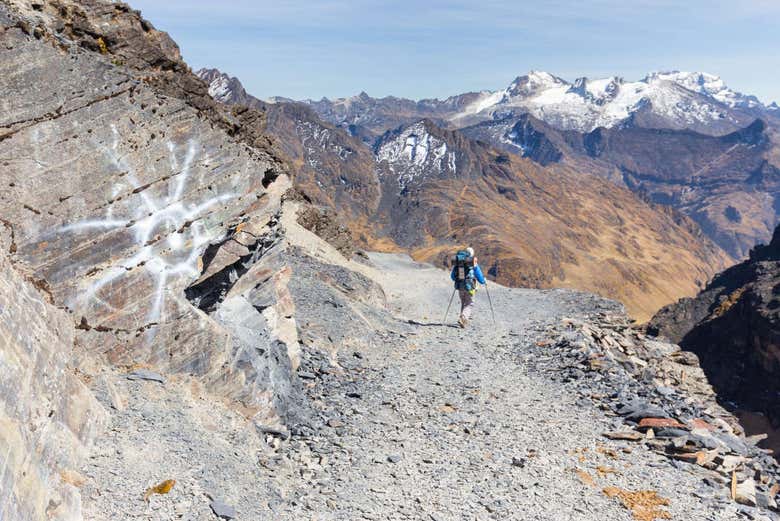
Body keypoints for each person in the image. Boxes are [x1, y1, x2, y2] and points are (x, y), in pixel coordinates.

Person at [450, 247, 486, 328]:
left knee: (463, 302)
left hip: (460, 287)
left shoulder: (458, 263)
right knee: (470, 304)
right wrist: (483, 281)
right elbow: (479, 275)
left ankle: (462, 319)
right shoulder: (472, 263)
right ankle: (463, 318)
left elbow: (452, 277)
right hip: (470, 287)